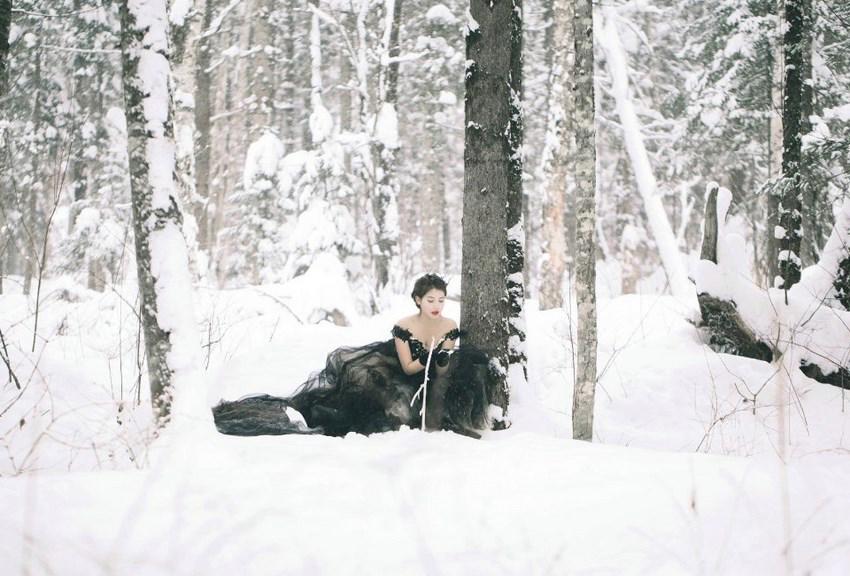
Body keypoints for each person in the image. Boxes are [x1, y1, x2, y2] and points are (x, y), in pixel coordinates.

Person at [212, 273, 492, 438]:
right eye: (431, 300)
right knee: (368, 405)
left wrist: (442, 358)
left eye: (441, 300)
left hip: (430, 384)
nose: (437, 306)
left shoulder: (449, 326)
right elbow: (407, 367)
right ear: (418, 300)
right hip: (400, 374)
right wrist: (428, 355)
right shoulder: (405, 326)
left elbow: (442, 371)